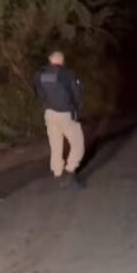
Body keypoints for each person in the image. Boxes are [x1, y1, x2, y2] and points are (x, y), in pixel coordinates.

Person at [34, 49, 85, 189]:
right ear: (62, 60)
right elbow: (76, 93)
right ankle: (70, 170)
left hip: (49, 113)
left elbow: (38, 92)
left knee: (55, 143)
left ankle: (57, 172)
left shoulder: (40, 74)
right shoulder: (67, 74)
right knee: (78, 143)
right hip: (65, 113)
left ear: (50, 60)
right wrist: (77, 109)